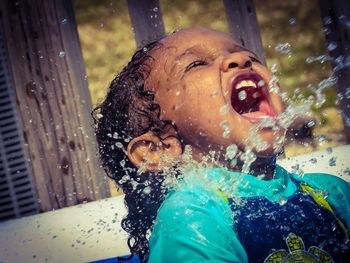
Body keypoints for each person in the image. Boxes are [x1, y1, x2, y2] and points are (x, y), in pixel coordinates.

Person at [93, 28, 350, 263]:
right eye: (195, 64)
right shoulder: (192, 215)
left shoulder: (331, 193)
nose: (240, 61)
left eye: (249, 56)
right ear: (157, 149)